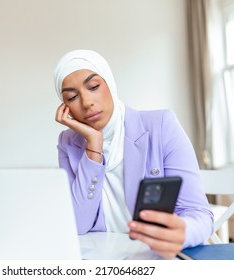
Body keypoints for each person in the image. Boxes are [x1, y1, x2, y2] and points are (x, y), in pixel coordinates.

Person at [54, 49, 214, 259]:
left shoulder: (161, 125)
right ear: (65, 107)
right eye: (72, 97)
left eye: (93, 87)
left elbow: (200, 215)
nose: (86, 102)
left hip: (156, 257)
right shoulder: (68, 143)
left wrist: (182, 232)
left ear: (109, 83)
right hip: (102, 259)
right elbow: (78, 224)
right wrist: (93, 145)